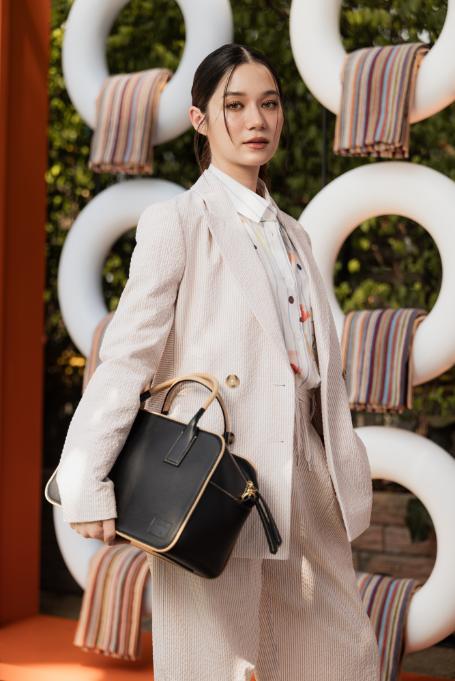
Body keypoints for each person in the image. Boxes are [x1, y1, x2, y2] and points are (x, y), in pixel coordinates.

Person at [54, 43, 381, 680]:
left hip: (305, 466)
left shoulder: (294, 233)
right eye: (235, 105)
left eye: (269, 104)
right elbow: (128, 356)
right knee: (218, 663)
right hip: (215, 472)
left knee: (343, 653)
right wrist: (87, 478)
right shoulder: (175, 222)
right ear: (200, 119)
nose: (256, 120)